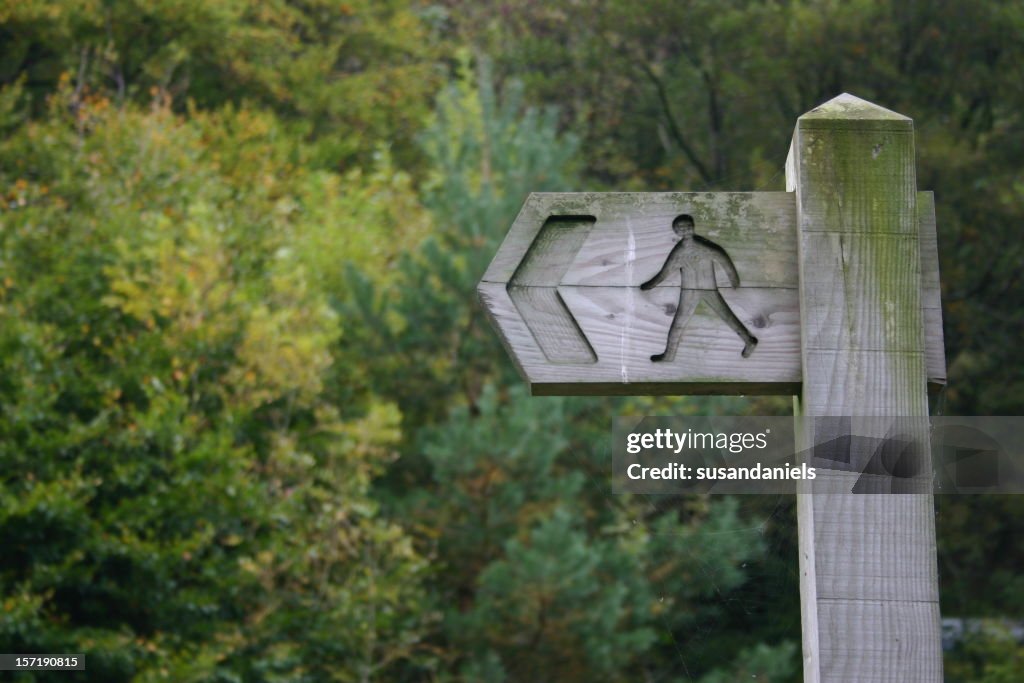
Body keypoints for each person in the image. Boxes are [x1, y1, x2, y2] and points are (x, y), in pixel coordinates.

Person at [640, 214, 758, 361]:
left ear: (693, 227)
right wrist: (649, 285)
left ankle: (748, 341)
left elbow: (722, 257)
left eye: (687, 226)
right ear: (676, 231)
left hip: (709, 289)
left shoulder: (702, 247)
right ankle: (669, 355)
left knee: (727, 317)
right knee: (678, 324)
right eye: (681, 228)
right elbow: (665, 272)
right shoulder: (679, 252)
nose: (685, 230)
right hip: (690, 292)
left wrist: (734, 280)